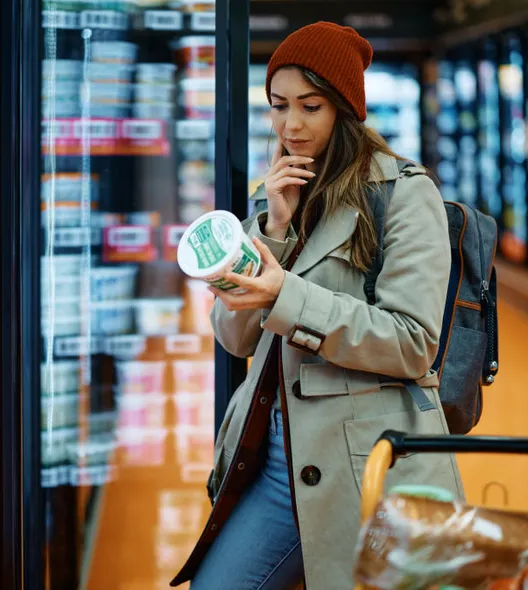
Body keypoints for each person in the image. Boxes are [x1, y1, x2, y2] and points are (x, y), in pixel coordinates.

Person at [170, 22, 463, 590]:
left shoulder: (404, 193)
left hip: (367, 461)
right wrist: (275, 229)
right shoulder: (278, 193)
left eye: (312, 106)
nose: (292, 125)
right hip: (273, 453)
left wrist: (287, 294)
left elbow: (412, 342)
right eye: (279, 106)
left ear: (346, 109)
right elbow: (237, 340)